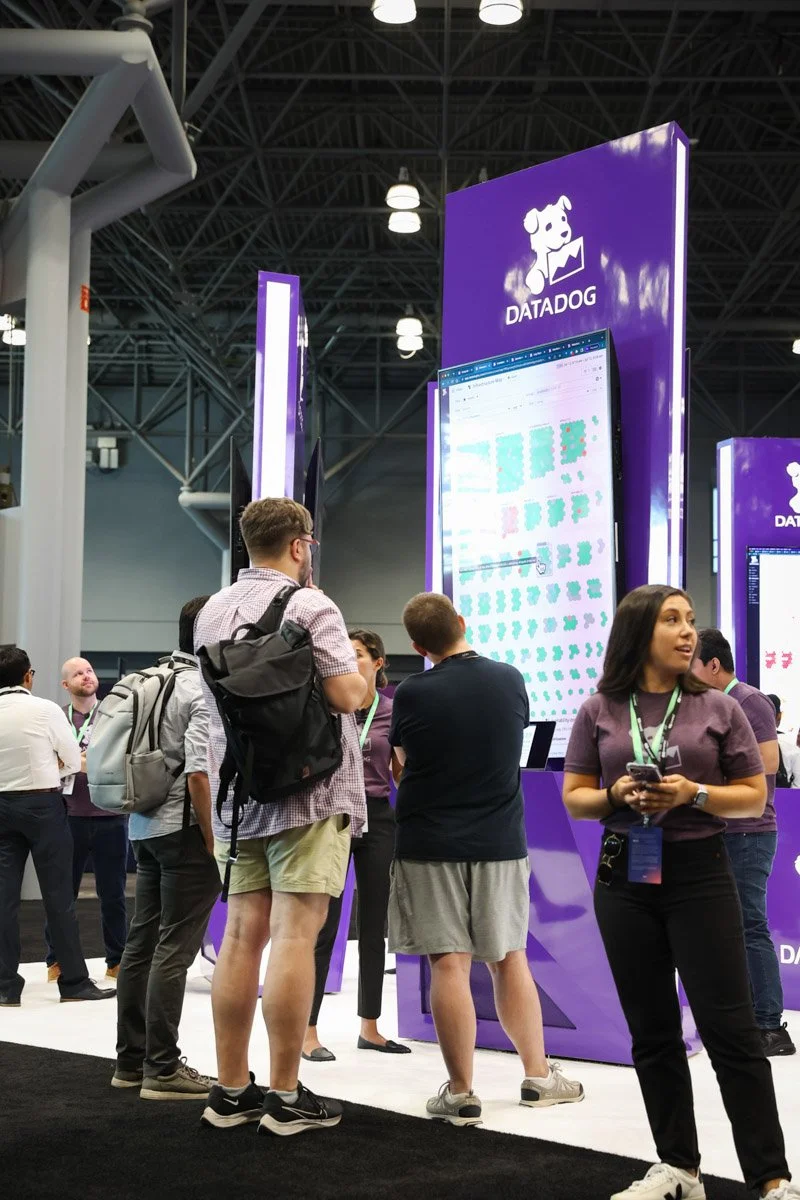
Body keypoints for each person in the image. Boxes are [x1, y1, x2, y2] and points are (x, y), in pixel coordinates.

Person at [562, 585, 797, 1200]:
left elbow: (754, 796)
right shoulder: (598, 709)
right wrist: (616, 795)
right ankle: (679, 1169)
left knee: (731, 1031)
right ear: (639, 632)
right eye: (672, 620)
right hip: (624, 876)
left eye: (690, 619)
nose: (688, 631)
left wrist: (694, 792)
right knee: (652, 1031)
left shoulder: (719, 707)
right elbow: (576, 798)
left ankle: (771, 1178)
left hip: (700, 872)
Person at [195, 497, 367, 1136]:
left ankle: (230, 1091)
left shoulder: (211, 612)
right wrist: (362, 677)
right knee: (296, 935)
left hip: (240, 792)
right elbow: (346, 694)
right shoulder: (312, 606)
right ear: (299, 545)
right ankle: (287, 1096)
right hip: (310, 793)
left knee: (241, 936)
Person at [388, 592, 583, 1127]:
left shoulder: (411, 693)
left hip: (429, 842)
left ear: (418, 647)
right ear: (461, 622)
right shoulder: (509, 679)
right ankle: (539, 1077)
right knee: (509, 957)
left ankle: (461, 1092)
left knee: (447, 963)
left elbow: (402, 761)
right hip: (498, 840)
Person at [113, 597, 221, 1100]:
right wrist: (213, 841)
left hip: (143, 825)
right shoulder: (200, 688)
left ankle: (130, 1063)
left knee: (141, 945)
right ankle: (162, 1067)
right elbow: (199, 773)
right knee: (174, 949)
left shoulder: (149, 678)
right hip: (184, 830)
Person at [303, 629, 410, 1062]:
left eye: (360, 654)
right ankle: (308, 1031)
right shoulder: (330, 704)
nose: (351, 660)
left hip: (378, 816)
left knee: (373, 924)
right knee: (323, 924)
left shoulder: (392, 711)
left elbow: (400, 770)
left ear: (378, 662)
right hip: (334, 816)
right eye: (345, 653)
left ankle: (370, 1026)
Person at [692, 629, 796, 1058]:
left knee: (751, 926)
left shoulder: (749, 701)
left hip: (750, 833)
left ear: (714, 665)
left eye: (693, 665)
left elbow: (768, 761)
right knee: (731, 928)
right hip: (723, 831)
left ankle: (770, 1026)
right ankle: (748, 1018)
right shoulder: (713, 705)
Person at [0, 646, 116, 1005]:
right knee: (59, 897)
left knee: (3, 899)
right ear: (28, 676)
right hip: (43, 805)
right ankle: (74, 983)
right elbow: (72, 760)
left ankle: (4, 986)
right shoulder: (46, 709)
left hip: (1, 806)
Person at [45, 657, 128, 984]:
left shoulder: (112, 715)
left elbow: (118, 758)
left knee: (114, 895)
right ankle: (56, 960)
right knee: (62, 895)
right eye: (78, 673)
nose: (86, 676)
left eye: (89, 671)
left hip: (110, 816)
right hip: (68, 817)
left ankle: (117, 961)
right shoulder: (57, 718)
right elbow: (49, 761)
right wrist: (83, 761)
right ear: (66, 685)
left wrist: (75, 761)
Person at [766, 694, 800, 789]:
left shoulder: (744, 743)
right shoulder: (791, 746)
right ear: (779, 716)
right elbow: (798, 787)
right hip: (784, 796)